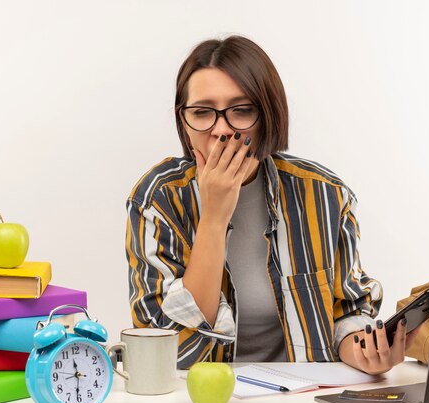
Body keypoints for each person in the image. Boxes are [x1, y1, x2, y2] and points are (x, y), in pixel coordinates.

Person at [125, 35, 412, 374]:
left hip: (302, 401)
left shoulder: (325, 193)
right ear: (184, 123)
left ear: (267, 116)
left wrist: (365, 353)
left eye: (241, 110)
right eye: (202, 112)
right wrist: (214, 217)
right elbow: (167, 346)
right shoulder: (157, 197)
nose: (221, 130)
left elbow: (346, 312)